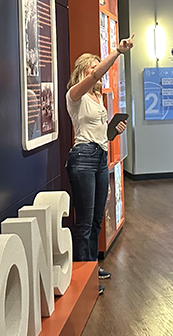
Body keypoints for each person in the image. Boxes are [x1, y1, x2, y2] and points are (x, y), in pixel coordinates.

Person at [66, 34, 134, 294]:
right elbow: (94, 78)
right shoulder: (76, 94)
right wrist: (117, 51)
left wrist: (112, 130)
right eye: (95, 66)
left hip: (98, 156)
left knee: (96, 219)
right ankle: (85, 277)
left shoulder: (96, 98)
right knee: (84, 222)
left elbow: (99, 133)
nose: (100, 72)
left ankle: (91, 266)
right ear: (85, 71)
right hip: (82, 158)